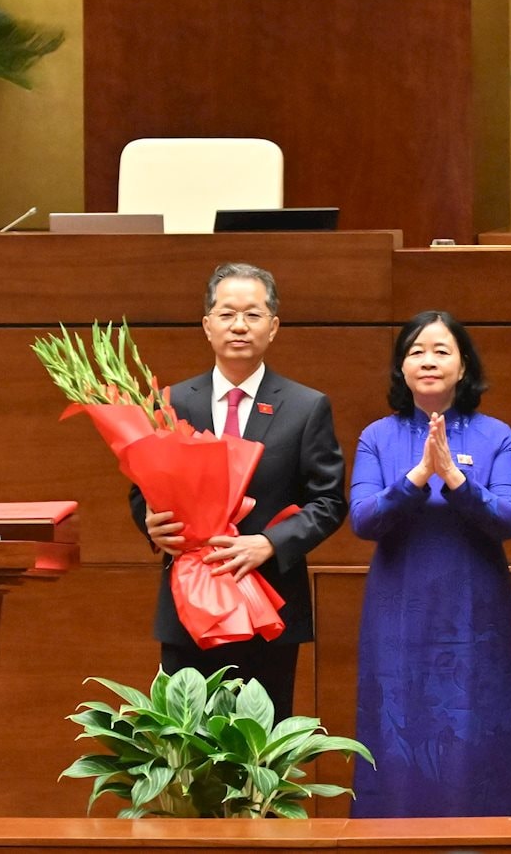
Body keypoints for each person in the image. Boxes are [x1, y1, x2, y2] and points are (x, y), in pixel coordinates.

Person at [130, 261, 345, 711]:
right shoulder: (170, 404)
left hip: (268, 603)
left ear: (274, 326)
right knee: (187, 749)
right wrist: (152, 524)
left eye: (253, 314)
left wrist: (268, 543)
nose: (239, 326)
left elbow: (327, 501)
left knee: (260, 754)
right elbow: (141, 491)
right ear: (207, 325)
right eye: (227, 314)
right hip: (188, 604)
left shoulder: (306, 407)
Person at [347, 311, 511, 817]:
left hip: (477, 612)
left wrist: (454, 480)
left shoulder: (497, 435)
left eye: (441, 350)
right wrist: (415, 478)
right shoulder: (377, 437)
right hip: (398, 610)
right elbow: (362, 519)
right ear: (401, 368)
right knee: (398, 731)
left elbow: (509, 518)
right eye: (416, 351)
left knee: (476, 736)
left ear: (464, 366)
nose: (428, 360)